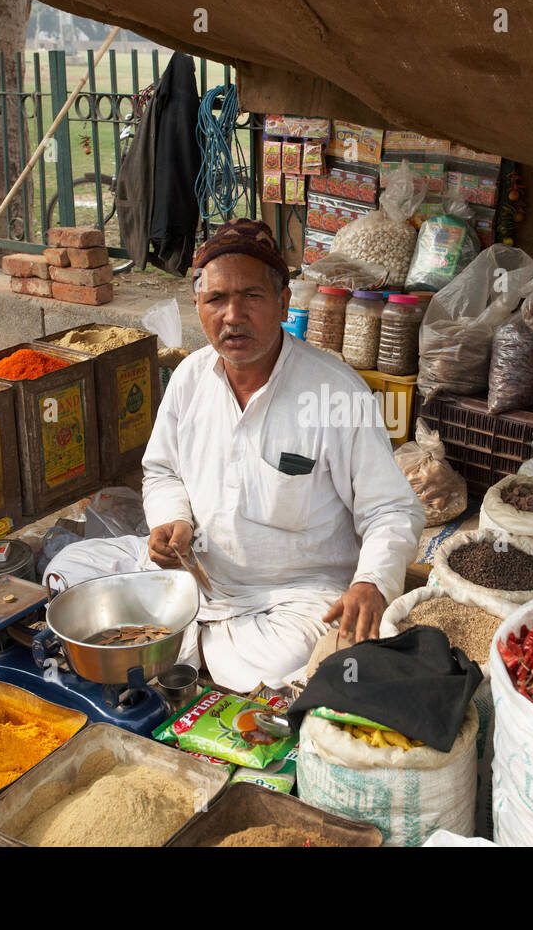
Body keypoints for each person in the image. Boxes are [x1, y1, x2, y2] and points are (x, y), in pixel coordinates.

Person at [44, 219, 424, 691]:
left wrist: (372, 583)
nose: (232, 315)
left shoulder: (335, 392)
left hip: (294, 598)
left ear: (284, 302)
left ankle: (166, 643)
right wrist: (171, 520)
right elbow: (161, 471)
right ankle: (186, 643)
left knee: (289, 655)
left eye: (251, 297)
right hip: (197, 574)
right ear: (199, 306)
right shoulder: (189, 377)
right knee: (72, 567)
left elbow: (391, 508)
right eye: (216, 299)